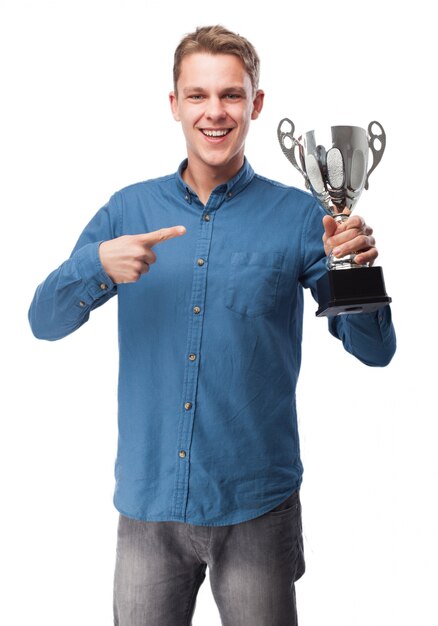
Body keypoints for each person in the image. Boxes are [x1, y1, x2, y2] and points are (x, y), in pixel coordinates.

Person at [28, 25, 396, 626]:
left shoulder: (303, 214)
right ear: (174, 105)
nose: (214, 112)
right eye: (197, 95)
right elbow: (42, 322)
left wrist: (355, 269)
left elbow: (376, 352)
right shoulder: (128, 210)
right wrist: (96, 266)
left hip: (257, 505)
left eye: (230, 95)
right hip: (149, 507)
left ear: (256, 104)